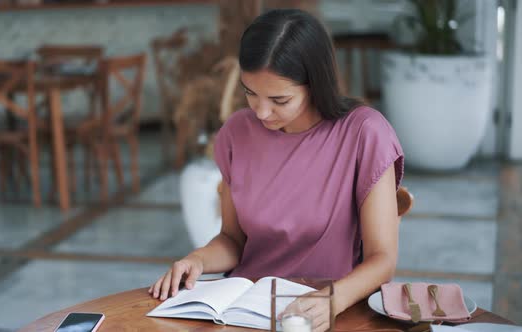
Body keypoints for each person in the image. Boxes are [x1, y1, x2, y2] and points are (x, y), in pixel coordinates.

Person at [149, 8, 404, 331]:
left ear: (314, 84)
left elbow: (382, 260)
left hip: (329, 313)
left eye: (279, 100)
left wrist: (332, 300)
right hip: (244, 311)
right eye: (250, 93)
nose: (262, 113)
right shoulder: (237, 132)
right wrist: (196, 260)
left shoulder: (365, 133)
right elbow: (232, 239)